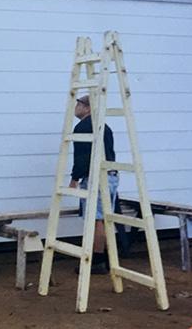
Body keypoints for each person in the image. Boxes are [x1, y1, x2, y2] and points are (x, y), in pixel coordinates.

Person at [69, 95, 118, 274]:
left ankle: (97, 261)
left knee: (96, 219)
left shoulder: (83, 127)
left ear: (88, 108)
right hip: (110, 175)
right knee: (103, 219)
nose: (76, 107)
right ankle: (105, 257)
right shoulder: (104, 126)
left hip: (96, 177)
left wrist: (74, 179)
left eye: (79, 104)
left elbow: (82, 158)